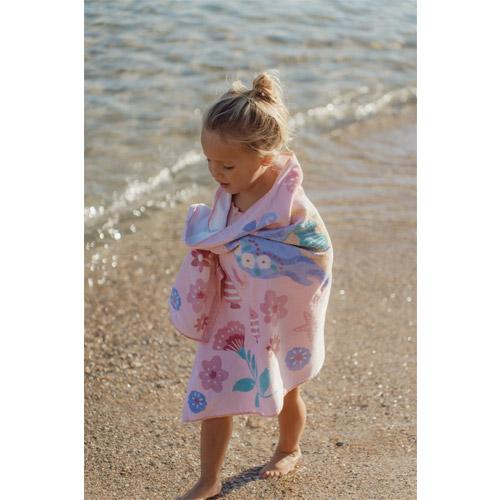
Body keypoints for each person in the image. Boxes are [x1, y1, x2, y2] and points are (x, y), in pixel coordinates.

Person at [169, 69, 334, 500]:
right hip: (230, 312)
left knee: (288, 385)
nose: (216, 173)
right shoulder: (231, 187)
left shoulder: (288, 203)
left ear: (265, 158)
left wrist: (244, 252)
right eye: (209, 162)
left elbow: (313, 253)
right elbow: (223, 235)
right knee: (213, 391)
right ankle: (208, 479)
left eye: (226, 165)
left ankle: (288, 448)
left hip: (274, 314)